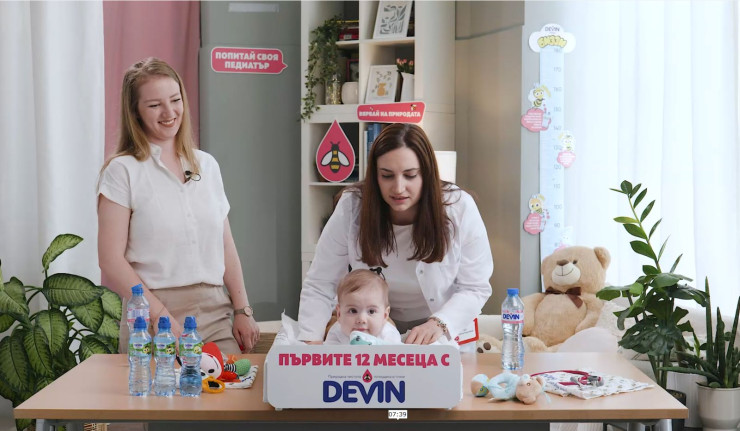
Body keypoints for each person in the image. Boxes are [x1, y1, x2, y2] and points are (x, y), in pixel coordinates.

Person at [97, 57, 259, 354]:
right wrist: (159, 316)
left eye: (175, 100)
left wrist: (242, 309)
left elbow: (226, 245)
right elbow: (110, 260)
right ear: (135, 111)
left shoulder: (206, 165)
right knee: (162, 386)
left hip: (215, 311)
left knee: (232, 385)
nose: (169, 112)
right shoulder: (122, 171)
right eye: (154, 105)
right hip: (152, 314)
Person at [298, 123, 493, 348]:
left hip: (438, 327)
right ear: (375, 176)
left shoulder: (459, 207)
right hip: (371, 327)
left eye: (410, 175)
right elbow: (321, 283)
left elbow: (475, 287)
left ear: (426, 174)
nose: (398, 188)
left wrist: (439, 324)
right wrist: (311, 344)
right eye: (387, 176)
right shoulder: (352, 207)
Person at [325, 269, 402, 345]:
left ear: (384, 316)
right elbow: (329, 352)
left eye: (371, 311)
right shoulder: (337, 332)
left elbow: (397, 352)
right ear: (339, 314)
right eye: (353, 311)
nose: (361, 319)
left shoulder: (389, 334)